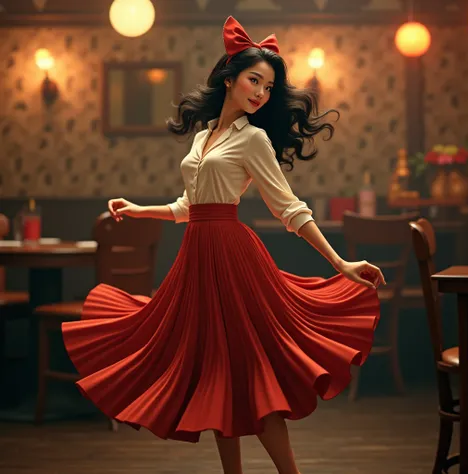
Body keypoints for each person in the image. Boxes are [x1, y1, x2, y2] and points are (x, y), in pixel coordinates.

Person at [62, 16, 385, 474]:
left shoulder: (254, 140)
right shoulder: (202, 137)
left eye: (269, 87)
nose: (261, 93)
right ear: (229, 78)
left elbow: (290, 209)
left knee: (252, 374)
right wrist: (139, 209)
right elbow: (188, 206)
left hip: (234, 260)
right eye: (255, 80)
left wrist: (340, 262)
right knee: (216, 375)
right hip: (197, 261)